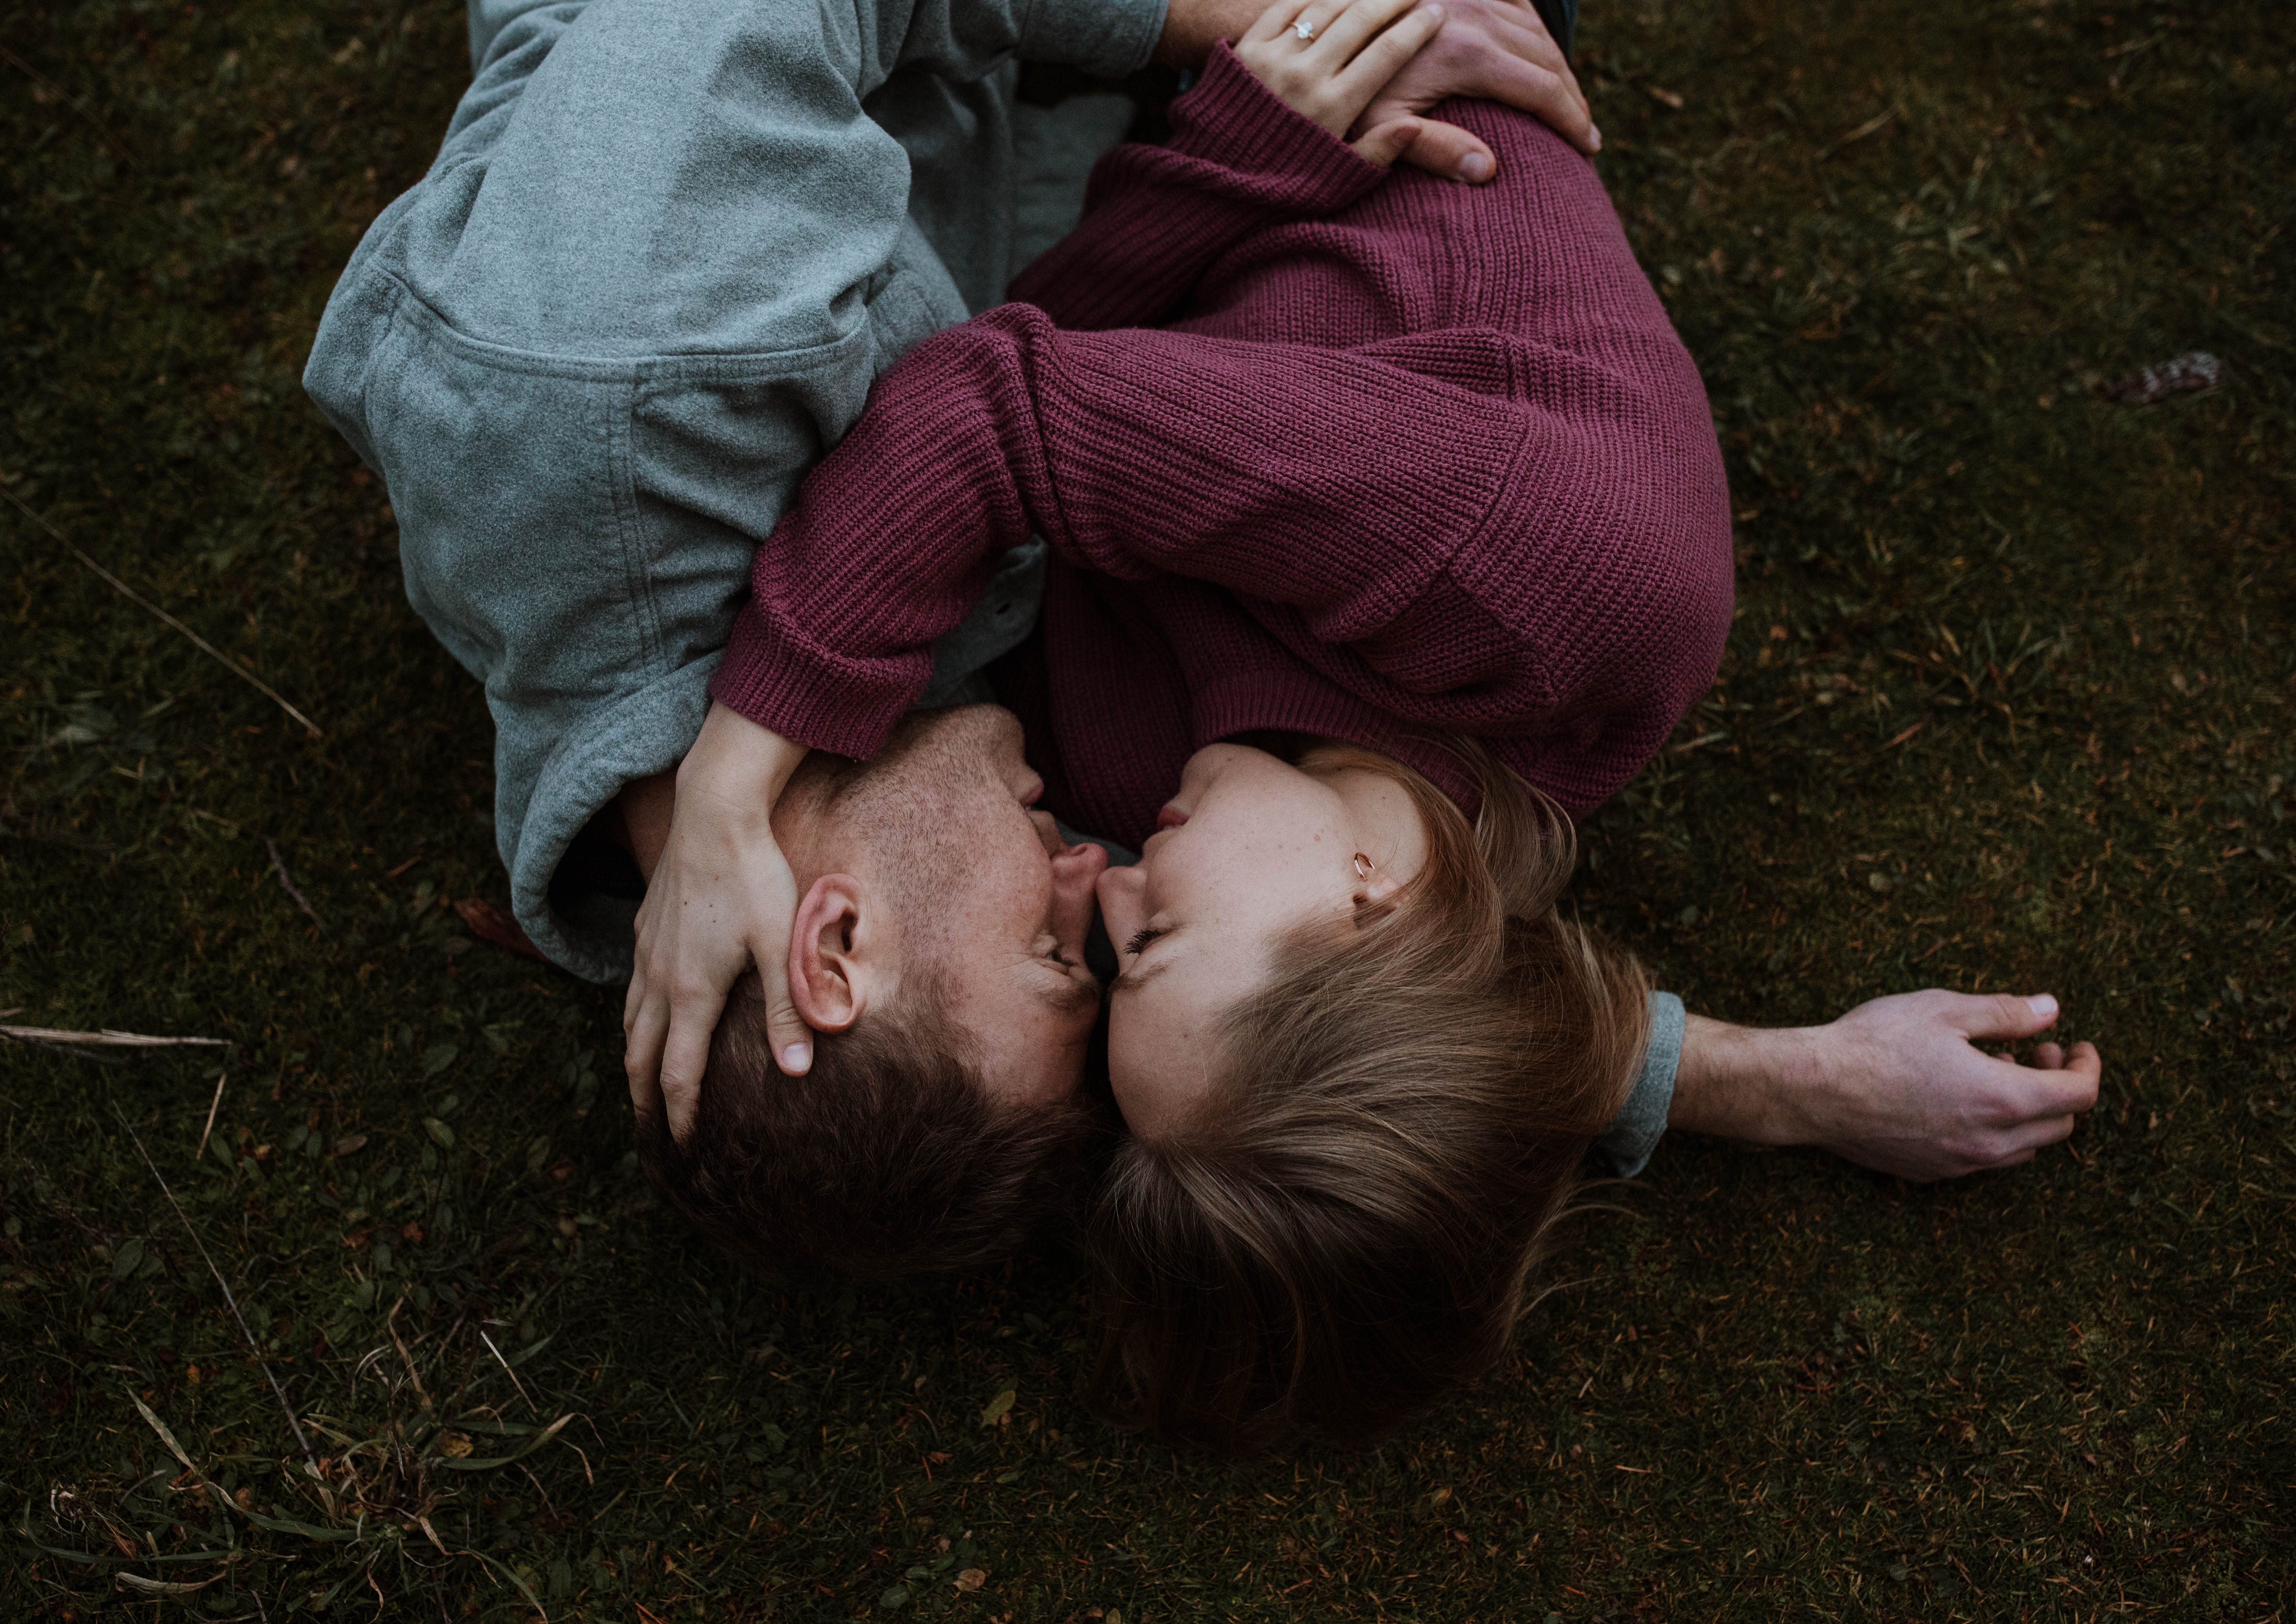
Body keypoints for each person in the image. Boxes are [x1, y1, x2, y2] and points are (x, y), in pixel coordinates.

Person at [666, 0, 2104, 1445]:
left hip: (1203, 158)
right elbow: (991, 414)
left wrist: (1223, 160)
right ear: (1373, 896)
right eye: (1151, 942)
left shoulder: (1175, 792)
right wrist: (732, 779)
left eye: (1095, 961)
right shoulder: (1530, 582)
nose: (1096, 881)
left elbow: (1031, 359)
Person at [303, 0, 1604, 1273]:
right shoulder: (845, 813)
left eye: (1052, 953)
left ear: (832, 949)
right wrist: (1694, 1076)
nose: (1094, 876)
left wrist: (1225, 18)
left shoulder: (617, 380)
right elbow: (1324, 975)